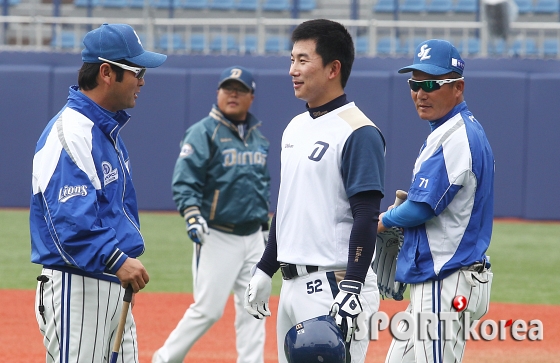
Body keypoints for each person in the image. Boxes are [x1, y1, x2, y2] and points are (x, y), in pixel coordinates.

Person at [243, 19, 386, 363]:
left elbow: (366, 214)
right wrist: (266, 267)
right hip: (292, 286)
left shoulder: (359, 131)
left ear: (333, 68)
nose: (293, 69)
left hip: (335, 286)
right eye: (292, 59)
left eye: (303, 60)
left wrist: (352, 285)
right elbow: (289, 206)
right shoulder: (295, 126)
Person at [30, 23, 166, 362]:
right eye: (138, 70)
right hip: (77, 285)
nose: (143, 80)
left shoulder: (103, 130)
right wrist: (117, 259)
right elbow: (68, 219)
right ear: (107, 72)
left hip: (109, 283)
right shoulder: (72, 131)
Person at [379, 39, 495, 363]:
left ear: (458, 87)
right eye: (415, 84)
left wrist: (384, 221)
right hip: (442, 279)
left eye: (431, 83)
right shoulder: (453, 131)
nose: (421, 93)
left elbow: (422, 208)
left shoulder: (456, 136)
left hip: (445, 282)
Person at [152, 65, 270, 363]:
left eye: (240, 89)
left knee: (254, 308)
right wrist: (192, 214)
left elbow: (261, 184)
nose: (233, 93)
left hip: (253, 237)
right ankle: (165, 358)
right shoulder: (204, 132)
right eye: (227, 88)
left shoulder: (257, 136)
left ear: (251, 97)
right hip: (217, 234)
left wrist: (265, 228)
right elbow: (185, 179)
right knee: (208, 309)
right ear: (217, 93)